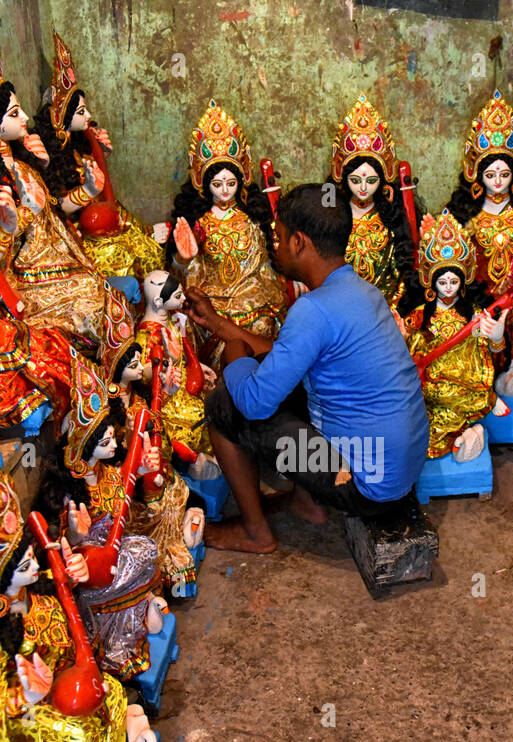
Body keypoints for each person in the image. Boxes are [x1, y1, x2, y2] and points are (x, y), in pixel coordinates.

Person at [184, 183, 430, 552]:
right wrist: (220, 325)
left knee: (225, 405)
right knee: (291, 380)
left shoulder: (312, 310)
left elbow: (254, 403)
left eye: (280, 238)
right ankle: (307, 503)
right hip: (401, 471)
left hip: (363, 486)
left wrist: (232, 355)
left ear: (299, 242)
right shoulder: (363, 292)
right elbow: (288, 353)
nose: (277, 247)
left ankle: (256, 531)